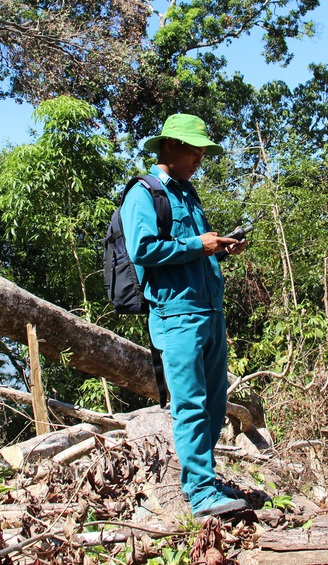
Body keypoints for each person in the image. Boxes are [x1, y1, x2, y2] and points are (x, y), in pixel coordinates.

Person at [121, 114, 250, 518]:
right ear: (170, 147)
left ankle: (203, 480)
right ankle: (200, 495)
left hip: (210, 311)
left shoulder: (189, 195)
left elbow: (194, 248)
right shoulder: (143, 194)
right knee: (190, 404)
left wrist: (219, 247)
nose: (199, 158)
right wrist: (198, 244)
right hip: (177, 315)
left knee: (214, 404)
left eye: (201, 152)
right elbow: (142, 249)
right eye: (194, 151)